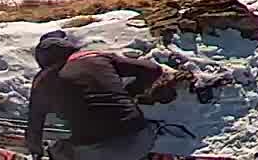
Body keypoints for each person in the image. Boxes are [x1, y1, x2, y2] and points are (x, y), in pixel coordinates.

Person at [24, 30, 175, 160]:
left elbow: (34, 126)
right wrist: (130, 92)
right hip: (140, 140)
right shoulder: (95, 57)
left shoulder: (42, 81)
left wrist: (36, 152)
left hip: (95, 152)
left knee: (58, 151)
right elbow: (153, 69)